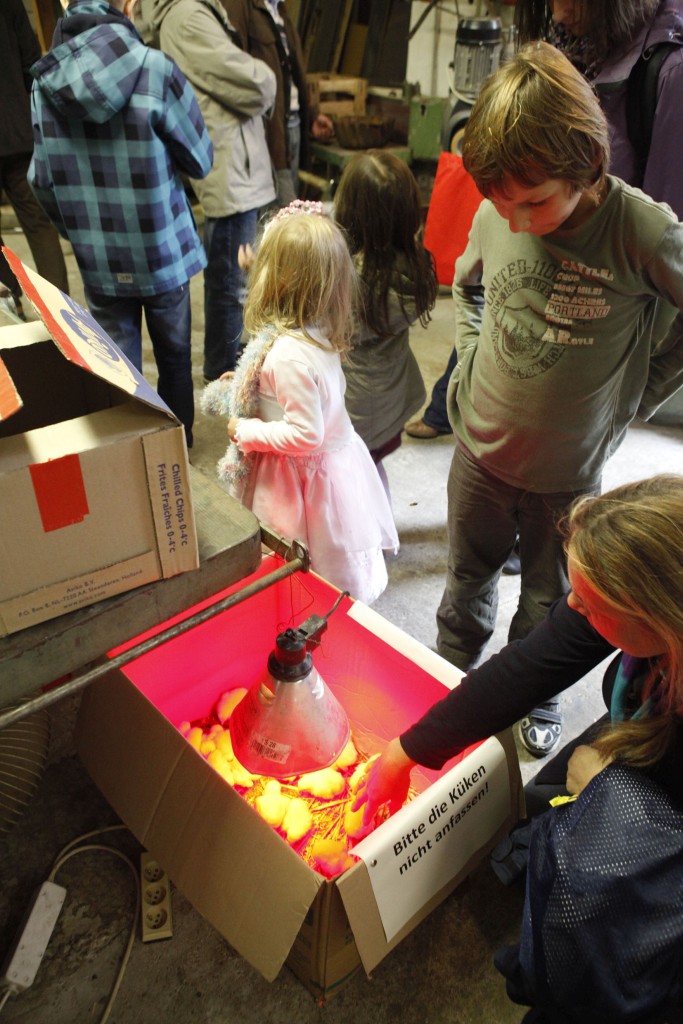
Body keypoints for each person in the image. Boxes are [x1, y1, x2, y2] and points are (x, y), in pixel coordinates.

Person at [353, 473, 683, 1023]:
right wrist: (405, 752)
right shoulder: (643, 613)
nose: (571, 604)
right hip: (637, 739)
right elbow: (528, 666)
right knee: (536, 810)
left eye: (590, 604)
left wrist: (608, 795)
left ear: (654, 617)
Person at [431, 41, 683, 757]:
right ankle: (446, 680)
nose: (514, 220)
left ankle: (534, 697)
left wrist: (640, 392)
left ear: (587, 165)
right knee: (464, 584)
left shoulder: (642, 230)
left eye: (534, 202)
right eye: (498, 203)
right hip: (479, 453)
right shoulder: (502, 211)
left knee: (550, 602)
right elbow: (469, 287)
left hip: (567, 475)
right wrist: (471, 358)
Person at [29, 0, 212, 449]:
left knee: (119, 371)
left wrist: (77, 231)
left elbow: (41, 180)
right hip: (163, 251)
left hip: (100, 260)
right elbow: (201, 160)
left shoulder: (44, 85)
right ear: (124, 10)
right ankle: (176, 451)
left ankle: (134, 460)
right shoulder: (155, 68)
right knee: (174, 359)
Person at [201, 204, 399, 605]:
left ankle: (298, 606)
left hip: (296, 482)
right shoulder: (315, 331)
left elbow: (305, 433)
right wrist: (248, 384)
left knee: (298, 562)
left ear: (278, 280)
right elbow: (297, 396)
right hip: (328, 466)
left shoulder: (288, 355)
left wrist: (247, 430)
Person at [154, 0, 277, 384]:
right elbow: (254, 83)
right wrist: (267, 75)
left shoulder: (193, 13)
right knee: (229, 285)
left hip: (235, 166)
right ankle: (223, 375)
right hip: (229, 169)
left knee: (231, 281)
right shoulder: (188, 17)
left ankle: (225, 367)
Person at [332, 151, 438, 499]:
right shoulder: (416, 263)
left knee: (346, 488)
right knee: (372, 471)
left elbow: (306, 323)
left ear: (349, 212)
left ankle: (366, 530)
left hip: (352, 410)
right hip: (392, 398)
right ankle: (381, 524)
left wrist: (264, 272)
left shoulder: (347, 279)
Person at [222, 0, 333, 209]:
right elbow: (232, 74)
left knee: (289, 209)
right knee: (282, 215)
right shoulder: (240, 6)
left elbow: (290, 74)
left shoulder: (279, 10)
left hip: (293, 127)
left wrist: (311, 115)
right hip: (266, 136)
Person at [0, 0, 69, 317]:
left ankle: (10, 297)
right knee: (40, 225)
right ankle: (60, 312)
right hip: (16, 132)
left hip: (16, 132)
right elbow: (31, 62)